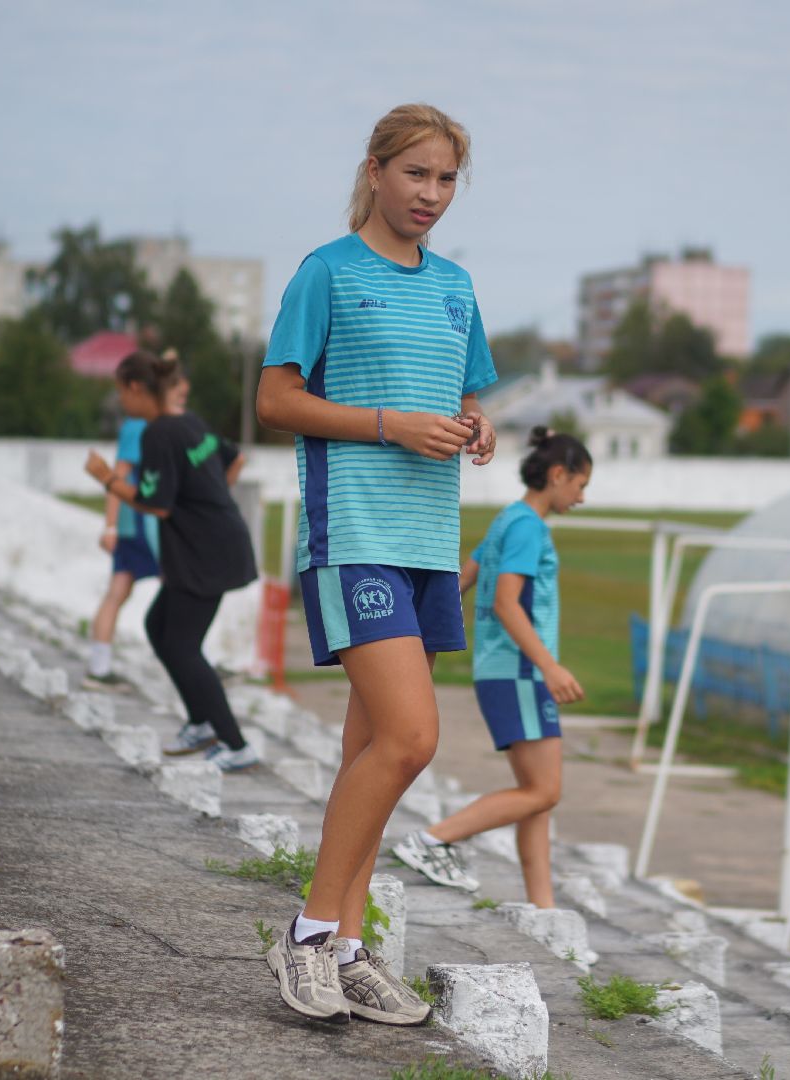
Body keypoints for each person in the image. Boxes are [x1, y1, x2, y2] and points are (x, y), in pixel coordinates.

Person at [254, 103, 498, 1027]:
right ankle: (311, 934)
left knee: (371, 750)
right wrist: (392, 425)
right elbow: (276, 400)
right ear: (375, 171)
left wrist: (476, 428)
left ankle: (350, 948)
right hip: (350, 533)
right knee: (410, 738)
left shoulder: (458, 287)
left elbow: (465, 387)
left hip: (429, 541)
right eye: (415, 175)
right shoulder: (326, 272)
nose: (430, 195)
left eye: (445, 180)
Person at [393, 428, 592, 906]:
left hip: (500, 671)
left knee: (536, 797)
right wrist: (550, 667)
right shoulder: (528, 528)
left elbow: (464, 577)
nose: (582, 498)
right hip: (521, 672)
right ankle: (433, 839)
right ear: (558, 475)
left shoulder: (508, 520)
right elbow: (506, 604)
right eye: (581, 486)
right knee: (543, 792)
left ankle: (544, 913)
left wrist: (413, 627)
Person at [84, 350, 259, 773]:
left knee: (182, 645)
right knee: (158, 627)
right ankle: (200, 723)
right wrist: (210, 499)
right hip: (212, 545)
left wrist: (107, 478)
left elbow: (155, 504)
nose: (122, 403)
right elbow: (233, 458)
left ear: (137, 388)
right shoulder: (190, 423)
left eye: (121, 393)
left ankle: (235, 744)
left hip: (206, 552)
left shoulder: (159, 433)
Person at [83, 354, 195, 691]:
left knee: (122, 592)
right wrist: (111, 527)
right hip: (145, 527)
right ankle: (192, 663)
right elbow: (118, 477)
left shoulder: (158, 423)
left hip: (145, 524)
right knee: (180, 588)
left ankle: (99, 668)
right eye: (178, 393)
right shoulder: (138, 426)